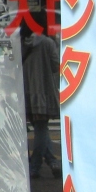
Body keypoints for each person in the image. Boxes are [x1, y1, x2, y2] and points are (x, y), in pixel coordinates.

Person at [21, 20, 62, 178]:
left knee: (40, 130)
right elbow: (55, 65)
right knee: (41, 129)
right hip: (43, 91)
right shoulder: (47, 43)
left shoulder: (21, 43)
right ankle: (35, 166)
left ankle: (52, 161)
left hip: (26, 91)